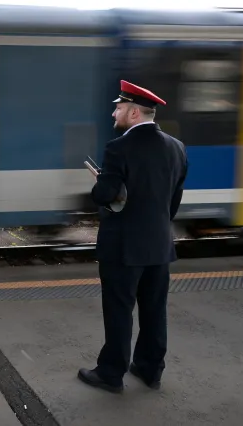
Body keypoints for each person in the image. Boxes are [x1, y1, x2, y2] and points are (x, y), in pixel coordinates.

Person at [77, 80, 188, 394]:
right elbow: (174, 198)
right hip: (159, 244)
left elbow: (105, 196)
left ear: (135, 113)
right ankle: (150, 370)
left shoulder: (118, 147)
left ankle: (111, 374)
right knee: (154, 311)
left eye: (119, 107)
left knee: (119, 310)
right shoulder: (176, 147)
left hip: (123, 247)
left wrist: (101, 182)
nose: (114, 112)